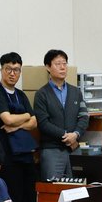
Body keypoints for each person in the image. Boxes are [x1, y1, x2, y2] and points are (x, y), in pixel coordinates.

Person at [0, 52, 39, 202]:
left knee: (29, 197)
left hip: (25, 154)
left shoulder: (21, 95)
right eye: (8, 69)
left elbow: (34, 122)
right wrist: (25, 116)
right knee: (13, 198)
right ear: (1, 70)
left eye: (16, 70)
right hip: (7, 156)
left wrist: (18, 125)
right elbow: (7, 119)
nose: (12, 73)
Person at [33, 48, 90, 180]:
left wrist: (75, 134)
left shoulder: (76, 92)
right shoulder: (42, 94)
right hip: (52, 150)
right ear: (48, 67)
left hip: (74, 148)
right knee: (53, 190)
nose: (62, 67)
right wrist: (65, 136)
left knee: (78, 188)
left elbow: (84, 116)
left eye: (64, 63)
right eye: (58, 64)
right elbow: (43, 123)